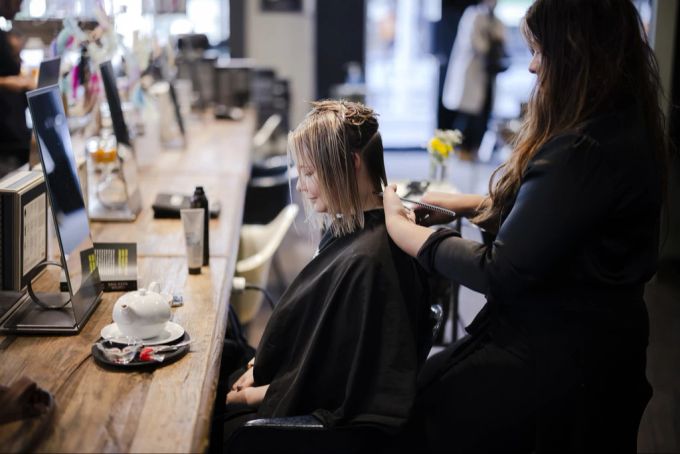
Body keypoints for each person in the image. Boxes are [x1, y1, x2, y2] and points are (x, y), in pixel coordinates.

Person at [383, 0, 667, 452]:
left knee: (413, 413)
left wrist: (410, 234)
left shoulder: (582, 149)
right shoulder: (620, 126)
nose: (533, 67)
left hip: (566, 358)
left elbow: (500, 270)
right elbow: (557, 216)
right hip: (596, 342)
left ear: (577, 56)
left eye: (541, 51)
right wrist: (463, 204)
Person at [223, 100, 432, 444]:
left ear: (351, 164)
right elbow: (319, 335)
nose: (301, 186)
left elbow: (338, 378)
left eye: (308, 173)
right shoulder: (352, 230)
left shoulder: (369, 261)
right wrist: (260, 366)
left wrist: (256, 394)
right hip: (284, 377)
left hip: (310, 422)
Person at [441, 0, 506, 159]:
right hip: (471, 72)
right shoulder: (473, 15)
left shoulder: (496, 20)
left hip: (486, 75)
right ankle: (462, 150)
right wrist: (490, 46)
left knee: (482, 114)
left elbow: (501, 40)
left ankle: (474, 149)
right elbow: (476, 42)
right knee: (467, 116)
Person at [0, 0, 35, 177]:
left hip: (15, 134)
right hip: (5, 144)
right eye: (19, 1)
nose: (20, 7)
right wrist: (9, 81)